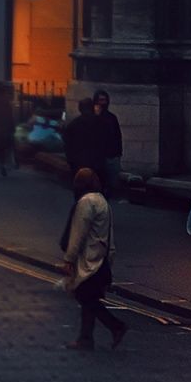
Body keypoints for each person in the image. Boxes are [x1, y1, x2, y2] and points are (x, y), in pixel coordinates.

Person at [60, 167, 126, 351]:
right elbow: (109, 233)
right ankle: (86, 339)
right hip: (101, 258)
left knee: (85, 297)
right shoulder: (102, 200)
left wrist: (69, 259)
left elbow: (78, 234)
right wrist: (110, 256)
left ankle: (116, 326)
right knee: (87, 298)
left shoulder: (85, 202)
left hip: (89, 260)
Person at [90, 91, 125, 197]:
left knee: (111, 181)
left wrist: (118, 152)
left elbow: (117, 135)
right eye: (100, 100)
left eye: (104, 100)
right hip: (97, 155)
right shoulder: (92, 117)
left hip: (110, 154)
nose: (102, 103)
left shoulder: (111, 118)